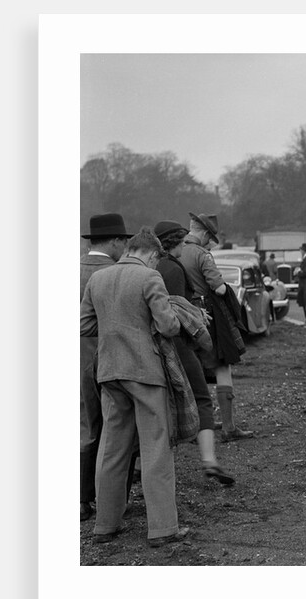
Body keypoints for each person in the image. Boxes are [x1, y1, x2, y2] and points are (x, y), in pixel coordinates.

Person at [80, 227, 189, 546]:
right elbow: (168, 325)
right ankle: (163, 528)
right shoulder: (149, 279)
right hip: (145, 372)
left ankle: (105, 524)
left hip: (110, 372)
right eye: (157, 260)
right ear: (152, 254)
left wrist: (114, 329)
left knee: (112, 449)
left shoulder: (97, 279)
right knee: (156, 448)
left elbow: (85, 325)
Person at [154, 220, 234, 485]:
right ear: (174, 243)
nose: (183, 247)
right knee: (201, 398)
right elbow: (174, 309)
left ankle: (146, 465)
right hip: (178, 344)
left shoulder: (153, 266)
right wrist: (197, 314)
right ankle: (209, 460)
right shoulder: (173, 268)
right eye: (181, 242)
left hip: (156, 346)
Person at [179, 212, 253, 442]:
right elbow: (219, 288)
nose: (210, 241)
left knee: (191, 371)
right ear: (202, 232)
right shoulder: (202, 255)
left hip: (181, 316)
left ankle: (196, 426)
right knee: (222, 367)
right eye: (210, 236)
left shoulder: (175, 251)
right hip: (206, 318)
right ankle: (229, 427)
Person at [79, 213, 132, 521]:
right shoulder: (115, 273)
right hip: (110, 356)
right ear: (114, 241)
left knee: (85, 425)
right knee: (119, 427)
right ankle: (112, 501)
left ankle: (82, 500)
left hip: (76, 357)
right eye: (123, 242)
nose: (123, 248)